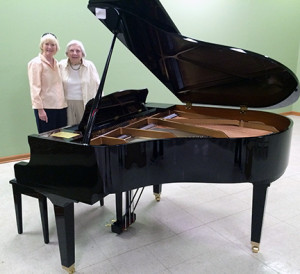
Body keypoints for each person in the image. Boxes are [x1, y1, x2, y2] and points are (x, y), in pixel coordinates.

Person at [28, 33, 67, 133]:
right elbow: (34, 88)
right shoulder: (36, 63)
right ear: (42, 45)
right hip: (46, 108)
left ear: (56, 47)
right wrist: (40, 110)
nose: (50, 47)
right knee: (48, 139)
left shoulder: (57, 63)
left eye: (53, 45)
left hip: (61, 107)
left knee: (62, 138)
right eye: (47, 44)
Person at [59, 40, 100, 125]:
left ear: (82, 53)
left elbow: (98, 86)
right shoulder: (61, 65)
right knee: (69, 131)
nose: (74, 53)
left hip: (84, 103)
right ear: (67, 53)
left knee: (84, 129)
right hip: (67, 105)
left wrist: (100, 104)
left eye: (78, 51)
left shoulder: (90, 66)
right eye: (71, 50)